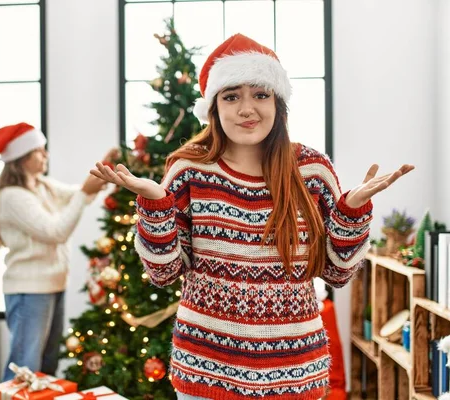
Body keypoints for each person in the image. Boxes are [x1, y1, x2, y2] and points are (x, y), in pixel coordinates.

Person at [90, 35, 414, 399]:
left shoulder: (312, 170)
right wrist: (154, 204)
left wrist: (352, 211)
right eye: (232, 96)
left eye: (260, 94)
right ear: (214, 106)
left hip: (294, 375)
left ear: (278, 103)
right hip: (206, 376)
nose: (247, 109)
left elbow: (338, 273)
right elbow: (162, 272)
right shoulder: (189, 170)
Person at [0, 122, 112, 381]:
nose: (46, 155)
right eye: (39, 151)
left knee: (46, 365)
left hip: (53, 285)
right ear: (22, 158)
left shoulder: (42, 186)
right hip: (29, 291)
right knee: (24, 367)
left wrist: (100, 178)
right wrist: (84, 193)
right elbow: (56, 231)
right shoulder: (12, 197)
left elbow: (79, 195)